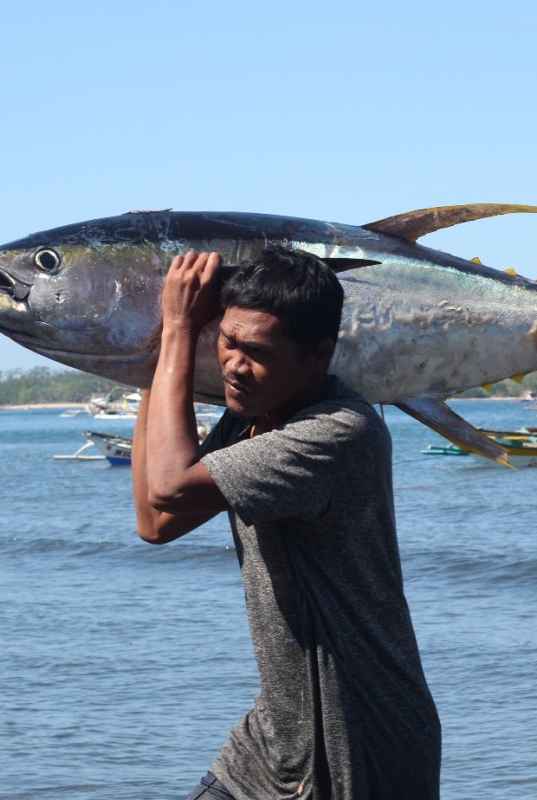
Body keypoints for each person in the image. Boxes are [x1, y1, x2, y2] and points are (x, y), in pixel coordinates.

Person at [131, 249, 442, 800]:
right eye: (226, 340)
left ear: (319, 354)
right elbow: (156, 522)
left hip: (357, 736)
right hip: (277, 731)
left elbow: (170, 485)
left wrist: (179, 328)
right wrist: (152, 362)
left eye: (256, 352)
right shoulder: (251, 419)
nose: (232, 364)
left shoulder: (336, 435)